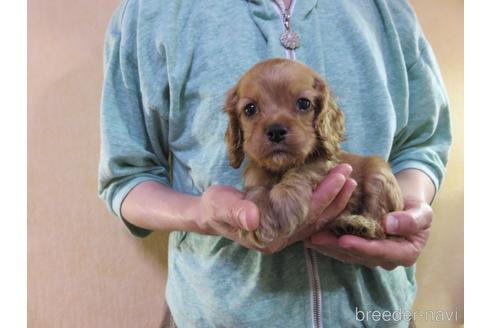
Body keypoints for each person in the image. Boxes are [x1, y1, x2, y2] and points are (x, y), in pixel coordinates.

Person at [98, 0, 451, 327]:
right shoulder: (152, 11)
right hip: (218, 317)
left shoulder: (385, 7)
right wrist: (202, 214)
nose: (276, 125)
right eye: (251, 111)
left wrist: (404, 212)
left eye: (302, 105)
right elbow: (127, 177)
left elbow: (423, 141)